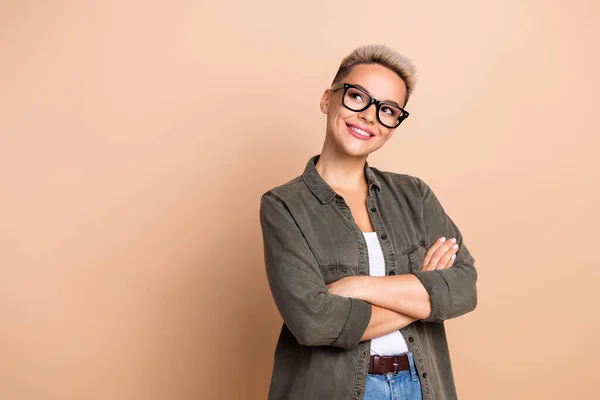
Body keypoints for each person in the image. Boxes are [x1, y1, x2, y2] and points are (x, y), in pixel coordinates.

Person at [259, 43, 478, 400]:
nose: (369, 116)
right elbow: (313, 323)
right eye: (357, 97)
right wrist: (425, 295)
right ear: (327, 99)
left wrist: (357, 286)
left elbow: (464, 289)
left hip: (420, 386)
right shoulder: (284, 205)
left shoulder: (414, 195)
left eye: (388, 109)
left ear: (394, 125)